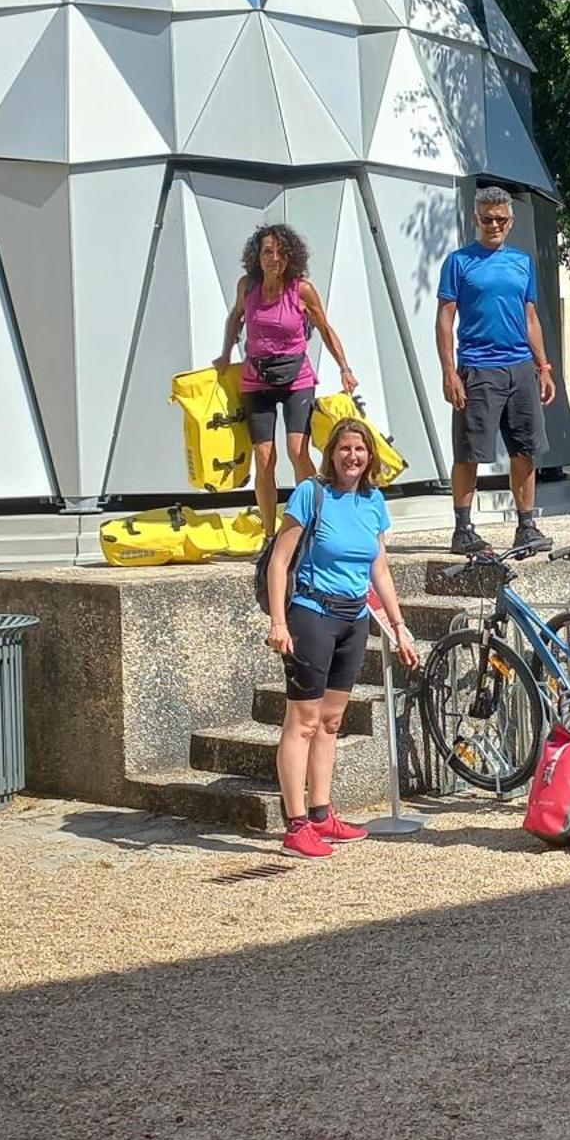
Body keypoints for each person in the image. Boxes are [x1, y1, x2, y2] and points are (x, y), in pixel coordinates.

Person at [264, 417, 417, 859]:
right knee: (302, 722)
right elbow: (280, 561)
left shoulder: (373, 502)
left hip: (355, 619)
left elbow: (380, 569)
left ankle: (321, 813)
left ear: (371, 457)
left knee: (331, 722)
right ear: (332, 453)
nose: (353, 457)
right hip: (312, 615)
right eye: (345, 449)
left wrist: (399, 624)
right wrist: (278, 621)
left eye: (361, 450)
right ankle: (294, 824)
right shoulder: (312, 493)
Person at [437, 184, 556, 557]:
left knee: (525, 449)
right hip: (477, 367)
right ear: (476, 219)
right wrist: (449, 372)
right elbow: (444, 320)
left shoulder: (522, 262)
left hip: (520, 367)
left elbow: (531, 317)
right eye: (487, 219)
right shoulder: (458, 262)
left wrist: (544, 366)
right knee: (469, 452)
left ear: (510, 221)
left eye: (500, 219)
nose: (493, 225)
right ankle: (463, 528)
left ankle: (526, 526)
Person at [218, 224, 359, 538]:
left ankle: (315, 522)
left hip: (297, 377)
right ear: (257, 256)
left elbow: (325, 327)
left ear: (291, 257)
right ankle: (269, 535)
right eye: (268, 252)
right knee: (264, 456)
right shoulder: (247, 286)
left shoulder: (301, 289)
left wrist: (344, 367)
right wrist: (226, 353)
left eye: (281, 253)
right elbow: (235, 317)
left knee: (297, 451)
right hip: (257, 378)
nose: (274, 259)